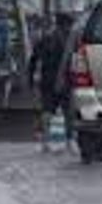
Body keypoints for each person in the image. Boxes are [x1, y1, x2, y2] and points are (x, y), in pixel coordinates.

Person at [29, 13, 74, 150]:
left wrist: (30, 78)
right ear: (65, 25)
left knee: (47, 110)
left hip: (47, 80)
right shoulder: (68, 40)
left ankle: (45, 142)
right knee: (68, 111)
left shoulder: (45, 39)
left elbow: (33, 60)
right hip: (65, 81)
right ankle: (69, 143)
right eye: (69, 25)